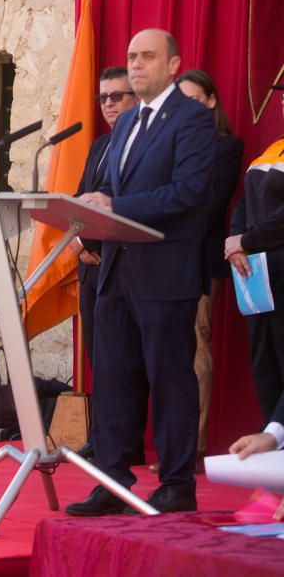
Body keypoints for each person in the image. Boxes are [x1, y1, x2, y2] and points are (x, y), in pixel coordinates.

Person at [68, 29, 216, 516]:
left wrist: (116, 205)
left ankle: (176, 483)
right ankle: (110, 481)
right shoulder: (127, 122)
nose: (136, 64)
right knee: (111, 379)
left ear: (174, 64)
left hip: (164, 273)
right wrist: (86, 221)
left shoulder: (193, 119)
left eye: (147, 56)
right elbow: (108, 190)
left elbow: (188, 192)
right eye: (131, 56)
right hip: (116, 272)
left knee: (170, 379)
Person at [68, 66, 138, 460]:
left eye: (117, 96)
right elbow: (82, 196)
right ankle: (100, 438)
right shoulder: (99, 145)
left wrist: (91, 239)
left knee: (120, 359)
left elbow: (117, 198)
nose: (109, 105)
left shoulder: (141, 146)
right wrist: (77, 242)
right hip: (89, 263)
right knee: (97, 355)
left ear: (136, 98)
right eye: (103, 98)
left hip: (118, 261)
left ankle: (122, 443)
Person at [175, 69, 243, 465]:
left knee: (198, 348)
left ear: (211, 102)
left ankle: (194, 446)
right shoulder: (170, 147)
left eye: (193, 99)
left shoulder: (226, 147)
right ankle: (173, 443)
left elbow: (211, 204)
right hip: (161, 262)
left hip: (200, 260)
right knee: (170, 354)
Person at [226, 82, 284, 444]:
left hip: (280, 268)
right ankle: (274, 465)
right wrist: (234, 244)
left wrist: (246, 240)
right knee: (265, 367)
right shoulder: (272, 149)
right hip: (255, 276)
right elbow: (243, 202)